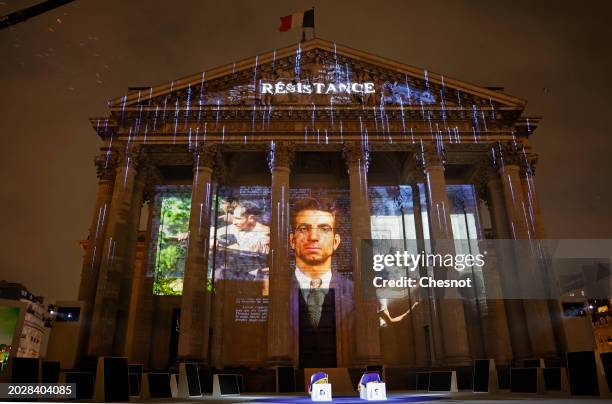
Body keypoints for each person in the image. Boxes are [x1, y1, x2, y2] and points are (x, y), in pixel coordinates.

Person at [289, 197, 350, 368]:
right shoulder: (275, 291)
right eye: (303, 229)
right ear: (292, 240)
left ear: (335, 241)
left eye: (324, 229)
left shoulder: (354, 293)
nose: (313, 237)